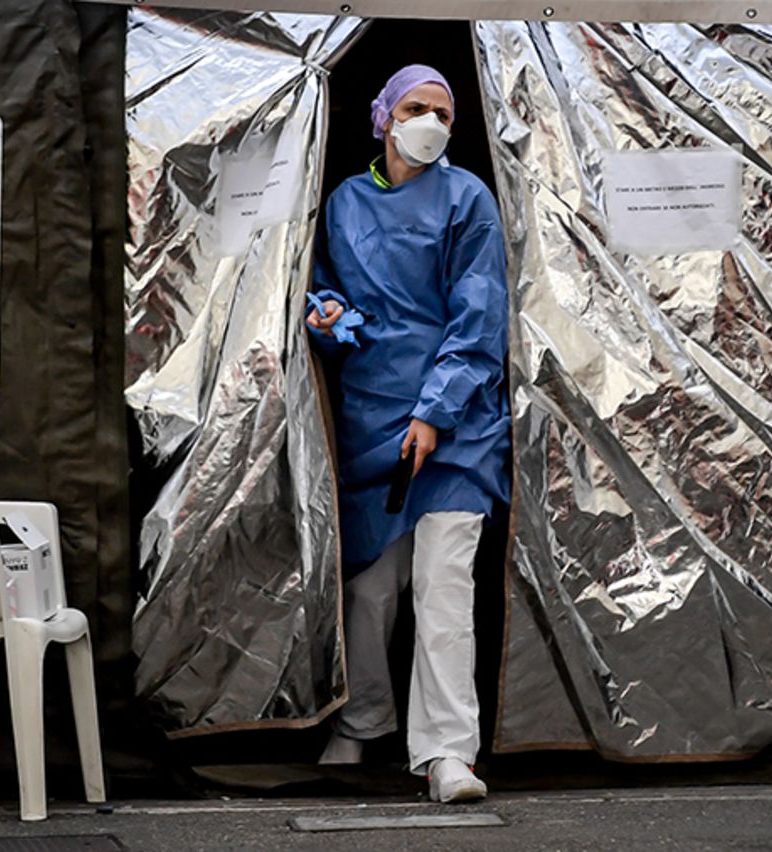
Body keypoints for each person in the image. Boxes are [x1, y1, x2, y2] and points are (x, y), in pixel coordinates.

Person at [306, 64, 512, 803]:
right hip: (373, 423)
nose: (431, 121)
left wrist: (437, 409)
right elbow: (329, 293)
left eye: (444, 113)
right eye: (417, 107)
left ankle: (447, 754)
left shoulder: (468, 200)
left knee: (444, 584)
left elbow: (478, 314)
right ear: (384, 116)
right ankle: (364, 720)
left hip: (456, 430)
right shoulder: (346, 202)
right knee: (369, 590)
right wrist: (327, 316)